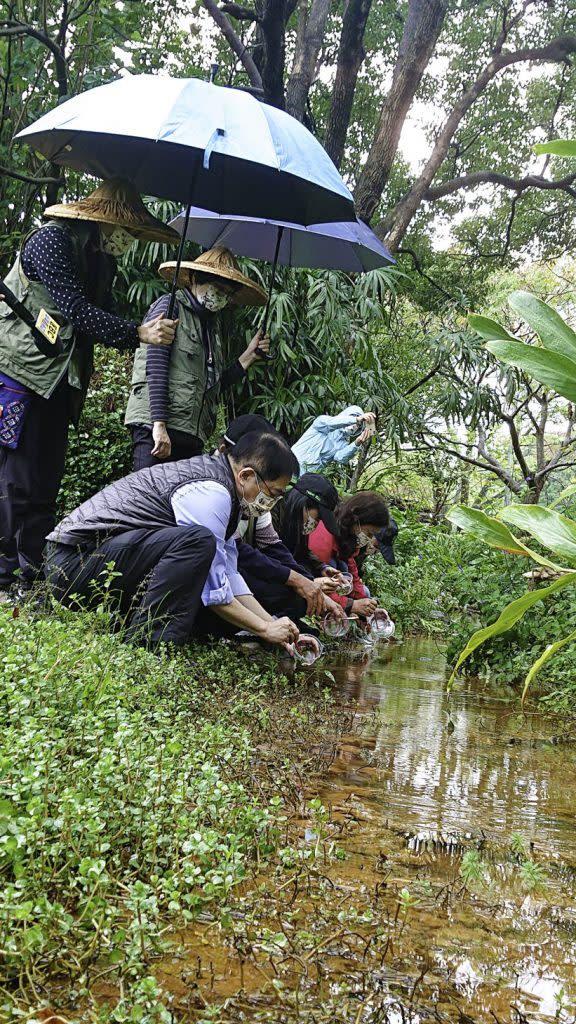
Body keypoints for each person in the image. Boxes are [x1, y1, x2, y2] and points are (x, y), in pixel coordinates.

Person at [0, 178, 179, 600]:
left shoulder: (102, 260)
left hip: (62, 381)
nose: (130, 240)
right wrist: (139, 332)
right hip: (21, 373)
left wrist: (141, 328)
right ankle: (2, 577)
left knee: (45, 483)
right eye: (128, 232)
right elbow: (77, 310)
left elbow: (101, 315)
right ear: (104, 222)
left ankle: (31, 575)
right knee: (15, 481)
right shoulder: (51, 241)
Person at [44, 431, 302, 649]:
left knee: (198, 546)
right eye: (272, 493)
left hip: (96, 559)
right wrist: (264, 629)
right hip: (71, 564)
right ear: (246, 475)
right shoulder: (212, 493)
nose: (272, 503)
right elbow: (215, 592)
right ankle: (150, 645)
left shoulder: (228, 495)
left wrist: (272, 624)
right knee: (197, 542)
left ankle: (142, 630)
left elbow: (229, 577)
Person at [125, 247, 270, 470]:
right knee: (146, 501)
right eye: (216, 288)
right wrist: (159, 425)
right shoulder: (170, 305)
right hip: (158, 428)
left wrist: (249, 356)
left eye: (226, 293)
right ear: (193, 279)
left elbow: (212, 385)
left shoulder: (211, 326)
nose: (220, 296)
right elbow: (155, 364)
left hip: (191, 433)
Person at [308, 491, 390, 618]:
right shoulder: (324, 535)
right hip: (310, 583)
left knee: (355, 584)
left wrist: (369, 609)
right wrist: (351, 605)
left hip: (323, 584)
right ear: (356, 520)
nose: (369, 539)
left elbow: (353, 574)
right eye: (369, 533)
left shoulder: (348, 537)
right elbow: (312, 583)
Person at [291, 405, 377, 473]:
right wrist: (356, 419)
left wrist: (356, 443)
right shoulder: (323, 421)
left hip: (308, 474)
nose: (354, 426)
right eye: (355, 421)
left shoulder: (343, 444)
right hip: (292, 462)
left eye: (358, 425)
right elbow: (331, 423)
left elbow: (339, 458)